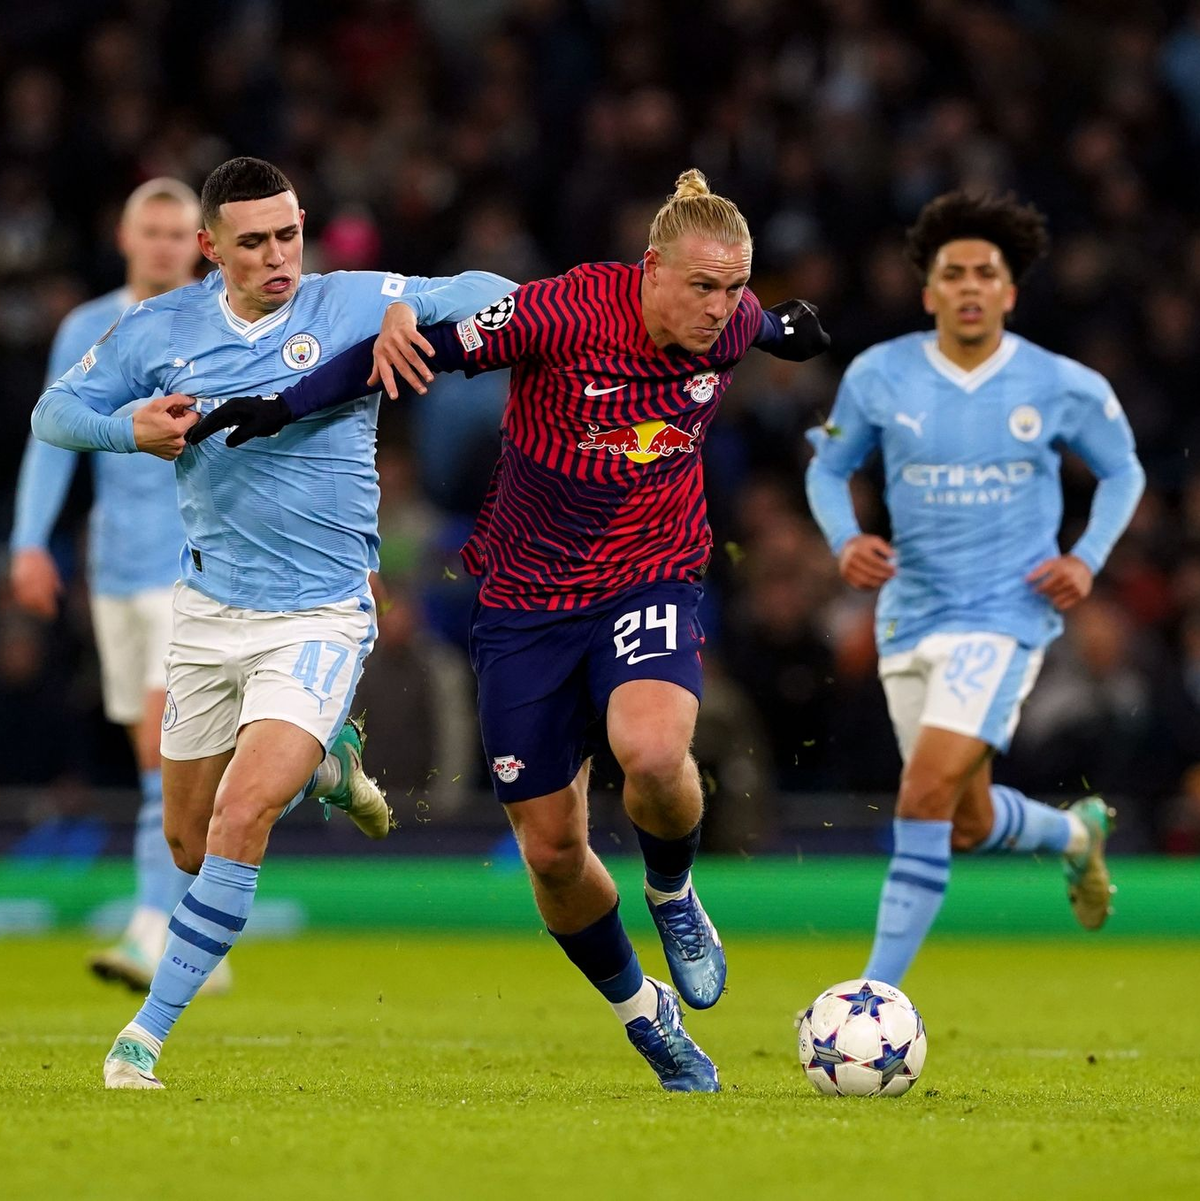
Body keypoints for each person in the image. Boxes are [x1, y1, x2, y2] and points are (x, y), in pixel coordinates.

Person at [189, 169, 830, 1092]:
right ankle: (643, 1013)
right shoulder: (561, 311)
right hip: (526, 604)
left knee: (653, 754)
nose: (720, 308)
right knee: (554, 852)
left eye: (735, 289)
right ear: (651, 268)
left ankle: (673, 890)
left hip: (650, 573)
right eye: (702, 286)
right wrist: (281, 405)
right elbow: (412, 352)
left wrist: (789, 327)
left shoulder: (728, 322)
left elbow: (770, 326)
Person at [31, 156, 515, 1088]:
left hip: (322, 614)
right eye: (252, 242)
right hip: (209, 613)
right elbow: (56, 412)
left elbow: (499, 292)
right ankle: (327, 768)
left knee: (242, 812)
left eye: (289, 234)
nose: (277, 255)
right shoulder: (162, 328)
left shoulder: (352, 301)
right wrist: (128, 429)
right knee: (189, 841)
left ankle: (143, 1038)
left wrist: (412, 314)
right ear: (210, 249)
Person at [804, 191, 1146, 987]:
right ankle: (1075, 836)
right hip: (909, 614)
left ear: (1008, 292)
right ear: (928, 292)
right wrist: (845, 539)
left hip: (1004, 615)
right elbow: (827, 466)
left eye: (984, 273)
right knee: (965, 819)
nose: (968, 286)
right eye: (952, 273)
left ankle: (872, 999)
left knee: (922, 795)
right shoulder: (877, 374)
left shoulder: (1058, 382)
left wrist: (1087, 557)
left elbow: (1124, 469)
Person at [8, 178, 240, 994]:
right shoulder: (87, 327)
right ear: (125, 237)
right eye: (153, 230)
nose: (165, 245)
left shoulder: (221, 321)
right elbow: (51, 438)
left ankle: (152, 927)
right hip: (116, 569)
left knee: (159, 746)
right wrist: (28, 542)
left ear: (199, 245)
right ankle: (204, 934)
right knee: (170, 759)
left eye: (180, 233)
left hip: (195, 564)